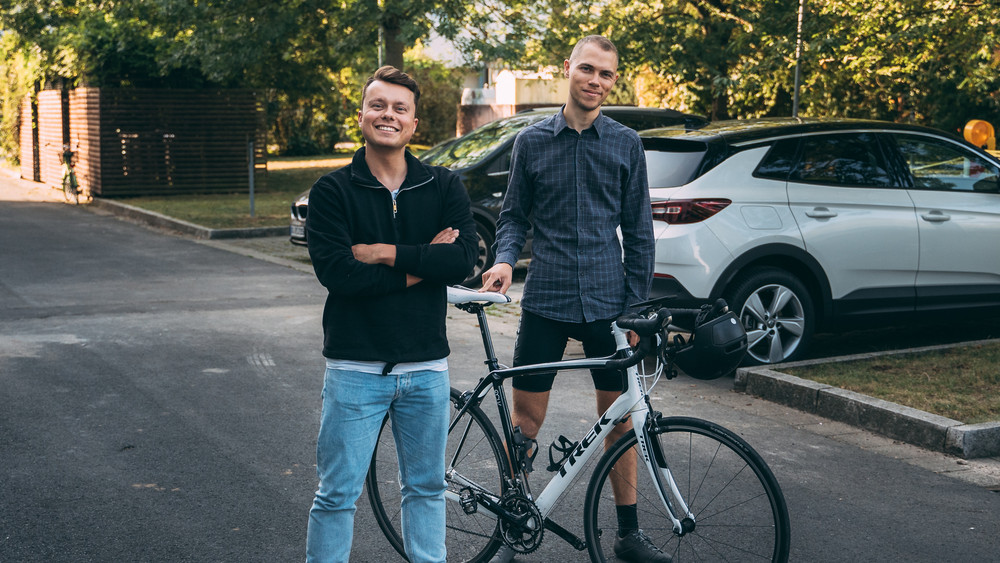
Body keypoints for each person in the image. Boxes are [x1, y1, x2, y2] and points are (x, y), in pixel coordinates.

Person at [480, 36, 665, 563]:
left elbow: (639, 231)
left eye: (606, 74)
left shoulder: (626, 143)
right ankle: (513, 527)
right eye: (587, 69)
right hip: (546, 301)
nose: (595, 81)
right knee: (525, 423)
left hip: (609, 307)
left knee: (620, 422)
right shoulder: (532, 142)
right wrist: (504, 259)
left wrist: (634, 308)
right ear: (568, 69)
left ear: (612, 81)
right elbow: (513, 216)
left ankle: (628, 536)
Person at [305, 65, 478, 563]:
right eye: (378, 105)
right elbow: (341, 276)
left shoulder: (443, 185)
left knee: (425, 490)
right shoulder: (333, 191)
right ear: (361, 116)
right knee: (337, 496)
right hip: (356, 368)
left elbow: (463, 259)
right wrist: (426, 260)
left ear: (414, 123)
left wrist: (384, 251)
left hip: (426, 368)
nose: (388, 115)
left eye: (400, 108)